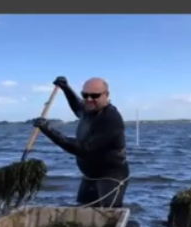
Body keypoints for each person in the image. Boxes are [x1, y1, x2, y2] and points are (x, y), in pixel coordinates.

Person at [32, 76, 129, 208]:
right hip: (89, 175)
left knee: (108, 216)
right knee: (81, 209)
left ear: (106, 95)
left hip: (111, 177)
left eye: (95, 95)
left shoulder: (111, 119)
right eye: (85, 95)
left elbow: (84, 149)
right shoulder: (89, 109)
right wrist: (65, 88)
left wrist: (48, 130)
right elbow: (77, 106)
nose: (89, 99)